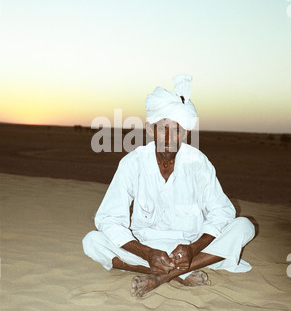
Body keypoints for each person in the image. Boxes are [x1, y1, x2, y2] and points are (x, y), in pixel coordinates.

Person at [82, 75, 255, 297]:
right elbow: (108, 219)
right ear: (149, 129)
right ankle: (179, 272)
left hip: (191, 247)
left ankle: (163, 276)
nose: (169, 137)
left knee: (243, 227)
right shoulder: (132, 163)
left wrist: (192, 249)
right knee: (92, 241)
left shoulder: (198, 162)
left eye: (177, 130)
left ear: (186, 133)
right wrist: (147, 253)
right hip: (145, 246)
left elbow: (221, 212)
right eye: (162, 128)